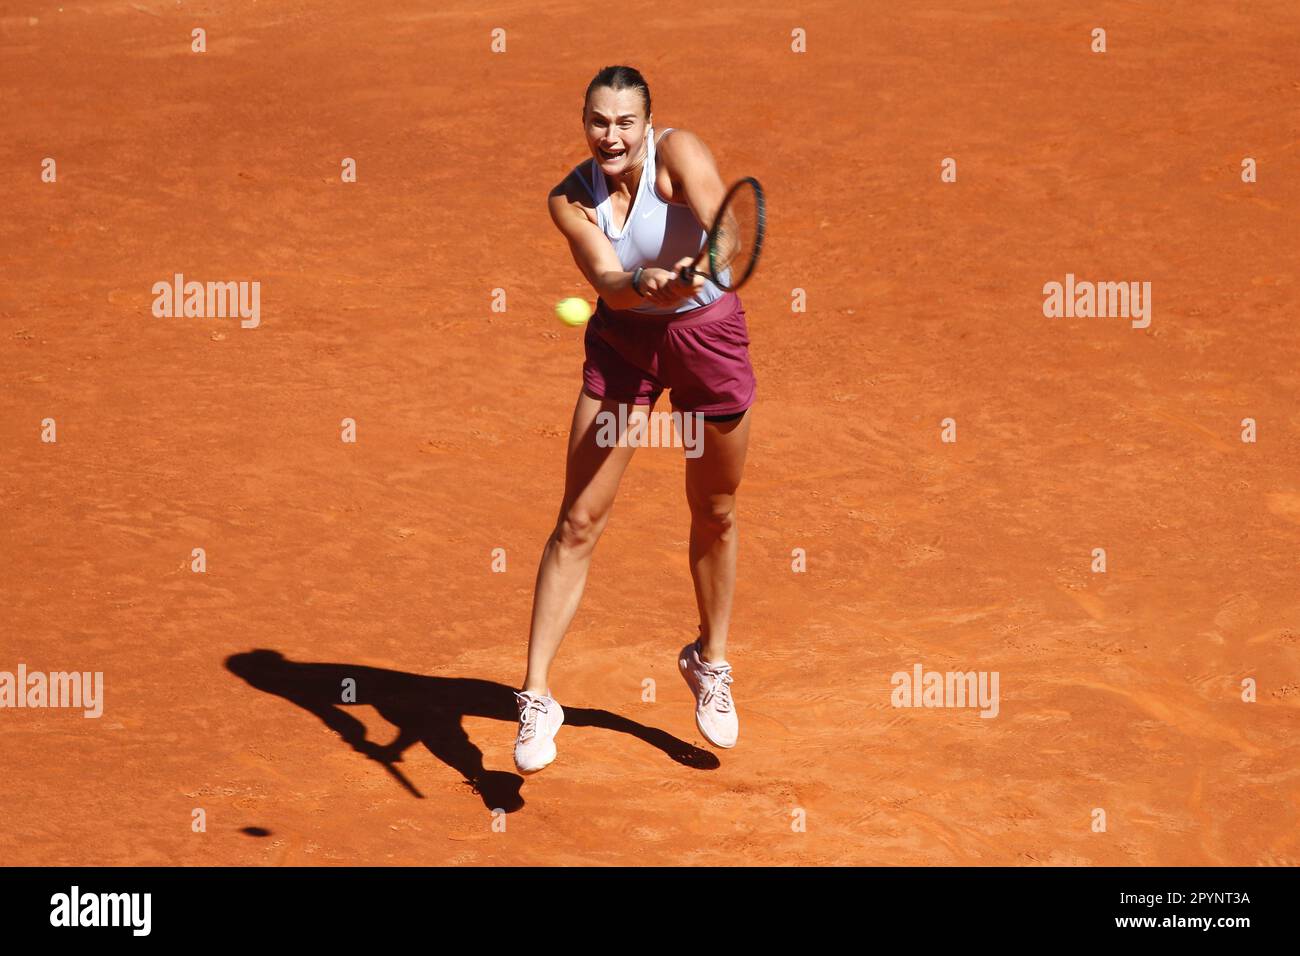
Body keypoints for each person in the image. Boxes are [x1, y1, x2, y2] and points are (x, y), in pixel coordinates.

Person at [514, 65, 757, 774]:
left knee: (714, 508)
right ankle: (535, 696)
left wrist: (698, 267)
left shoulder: (680, 156)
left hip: (707, 339)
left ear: (647, 125)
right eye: (598, 120)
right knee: (578, 520)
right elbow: (610, 285)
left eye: (625, 122)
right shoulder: (569, 198)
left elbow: (729, 231)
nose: (610, 135)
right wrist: (640, 282)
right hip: (626, 348)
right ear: (583, 122)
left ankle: (708, 661)